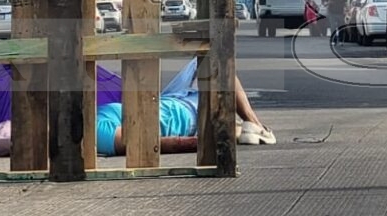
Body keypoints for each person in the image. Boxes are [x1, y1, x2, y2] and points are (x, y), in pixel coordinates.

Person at [96, 60, 276, 156]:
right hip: (188, 112)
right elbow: (152, 144)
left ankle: (239, 128)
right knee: (218, 61)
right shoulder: (98, 133)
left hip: (167, 100)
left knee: (201, 62)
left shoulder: (95, 117)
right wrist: (209, 141)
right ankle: (253, 125)